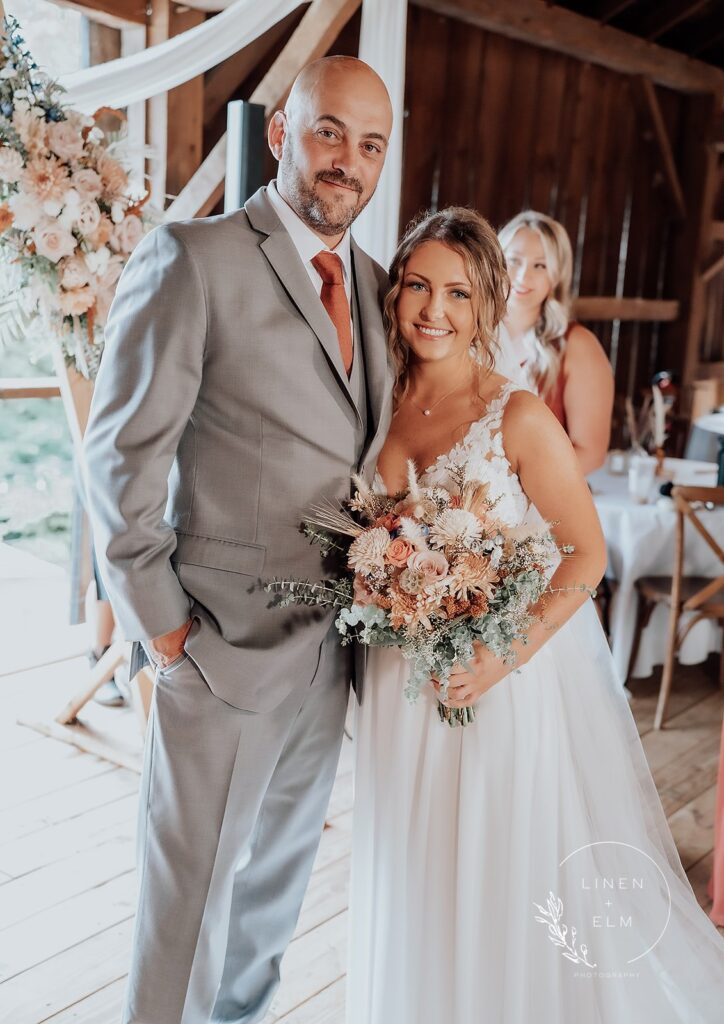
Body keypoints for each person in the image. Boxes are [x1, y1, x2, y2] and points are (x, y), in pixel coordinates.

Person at [347, 207, 724, 1024]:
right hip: (396, 681)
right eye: (417, 285)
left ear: (487, 304)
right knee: (408, 865)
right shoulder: (376, 398)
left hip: (494, 684)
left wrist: (499, 656)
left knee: (489, 871)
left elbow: (586, 556)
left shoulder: (516, 414)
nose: (432, 310)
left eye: (456, 292)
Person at [83, 56, 393, 1024]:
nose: (348, 159)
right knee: (191, 904)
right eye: (330, 130)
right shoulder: (195, 256)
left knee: (271, 898)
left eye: (371, 143)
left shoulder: (378, 287)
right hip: (218, 646)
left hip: (331, 653)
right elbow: (121, 454)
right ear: (281, 132)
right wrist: (165, 631)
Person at [496, 210, 614, 474]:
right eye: (513, 260)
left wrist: (514, 490)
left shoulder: (577, 345)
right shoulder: (470, 332)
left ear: (557, 274)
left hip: (539, 498)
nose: (523, 276)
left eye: (540, 265)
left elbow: (591, 453)